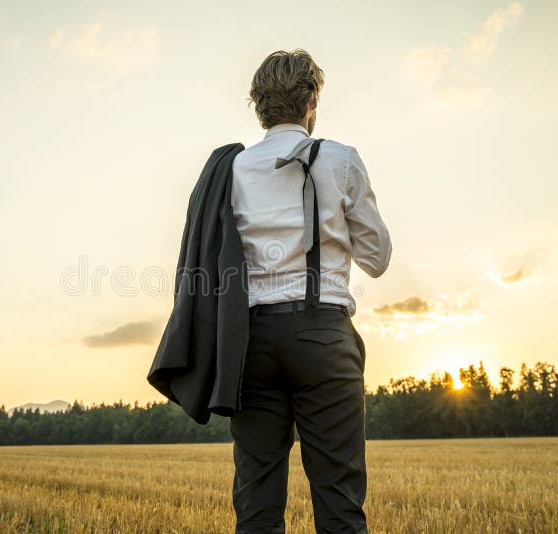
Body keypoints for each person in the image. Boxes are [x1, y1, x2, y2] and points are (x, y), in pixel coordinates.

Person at [228, 48, 392, 534]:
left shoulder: (232, 170)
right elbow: (377, 260)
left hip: (250, 343)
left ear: (258, 106)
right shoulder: (340, 160)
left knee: (256, 502)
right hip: (323, 335)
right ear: (312, 100)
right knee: (339, 500)